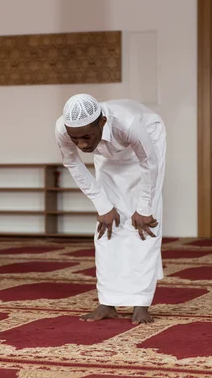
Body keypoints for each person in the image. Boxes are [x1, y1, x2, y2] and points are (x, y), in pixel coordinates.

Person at [55, 93, 166, 324]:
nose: (82, 144)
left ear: (102, 122)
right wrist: (102, 204)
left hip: (148, 145)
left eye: (86, 137)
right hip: (108, 153)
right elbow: (72, 163)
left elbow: (149, 163)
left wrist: (144, 207)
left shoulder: (129, 123)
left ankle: (141, 304)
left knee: (144, 226)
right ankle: (107, 302)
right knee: (108, 225)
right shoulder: (64, 129)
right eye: (76, 139)